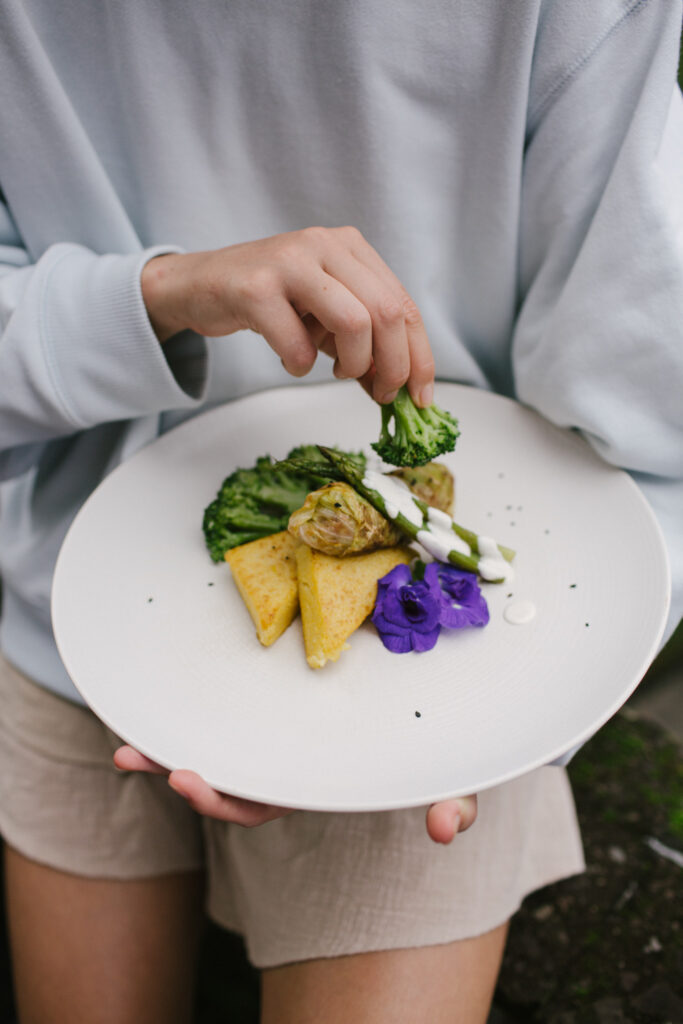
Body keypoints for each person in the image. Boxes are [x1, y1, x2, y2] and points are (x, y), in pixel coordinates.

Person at [0, 2, 681, 1022]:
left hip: (436, 687)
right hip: (60, 609)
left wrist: (536, 708)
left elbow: (643, 408)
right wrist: (159, 292)